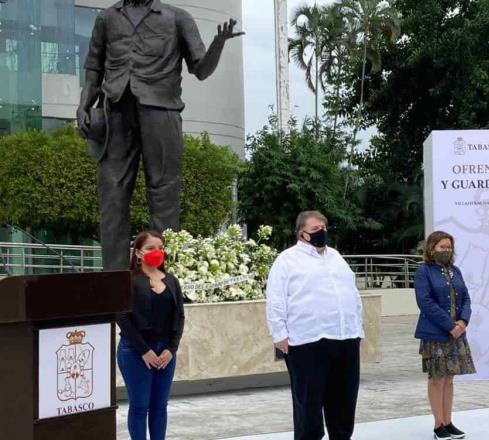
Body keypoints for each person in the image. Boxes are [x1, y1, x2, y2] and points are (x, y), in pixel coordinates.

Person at [77, 0, 244, 270]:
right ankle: (114, 280)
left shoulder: (178, 18)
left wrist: (218, 44)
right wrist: (83, 105)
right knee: (112, 196)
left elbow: (200, 69)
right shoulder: (107, 18)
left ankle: (160, 276)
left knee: (164, 196)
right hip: (116, 112)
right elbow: (94, 68)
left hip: (161, 111)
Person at [265, 211, 364, 440]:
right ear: (303, 233)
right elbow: (276, 299)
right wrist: (279, 334)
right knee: (308, 405)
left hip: (345, 337)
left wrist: (357, 327)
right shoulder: (287, 259)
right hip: (307, 341)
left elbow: (352, 292)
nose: (322, 232)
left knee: (344, 402)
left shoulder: (336, 256)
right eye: (316, 228)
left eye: (324, 227)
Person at [117, 230, 186, 440]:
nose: (157, 252)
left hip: (164, 352)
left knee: (159, 407)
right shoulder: (129, 280)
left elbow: (180, 317)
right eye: (150, 248)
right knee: (139, 406)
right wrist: (144, 350)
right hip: (135, 351)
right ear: (138, 253)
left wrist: (171, 349)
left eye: (160, 248)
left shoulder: (172, 281)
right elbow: (122, 317)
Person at [414, 230, 476, 440]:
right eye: (442, 247)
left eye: (449, 247)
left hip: (457, 334)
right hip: (436, 333)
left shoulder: (455, 271)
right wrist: (450, 325)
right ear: (432, 249)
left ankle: (448, 422)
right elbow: (425, 302)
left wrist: (462, 322)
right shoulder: (423, 271)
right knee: (437, 379)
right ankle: (438, 424)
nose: (446, 251)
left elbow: (466, 298)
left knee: (449, 379)